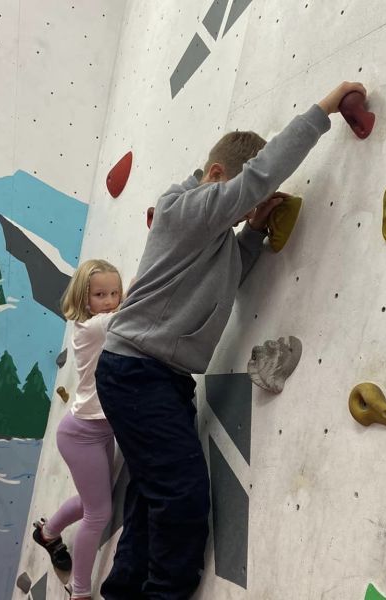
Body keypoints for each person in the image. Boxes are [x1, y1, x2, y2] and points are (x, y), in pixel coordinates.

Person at [95, 81, 367, 599]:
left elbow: (228, 274)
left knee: (153, 496)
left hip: (157, 377)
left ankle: (123, 591)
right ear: (216, 177)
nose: (242, 211)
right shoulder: (180, 208)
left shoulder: (212, 236)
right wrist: (324, 109)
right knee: (181, 495)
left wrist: (257, 232)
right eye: (241, 202)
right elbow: (257, 178)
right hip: (137, 372)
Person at [32, 259, 124, 600]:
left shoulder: (104, 323)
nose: (111, 300)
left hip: (99, 429)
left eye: (115, 292)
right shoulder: (95, 326)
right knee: (99, 513)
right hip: (81, 434)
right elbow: (135, 313)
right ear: (85, 300)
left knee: (92, 503)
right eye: (101, 294)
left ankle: (48, 533)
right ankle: (81, 591)